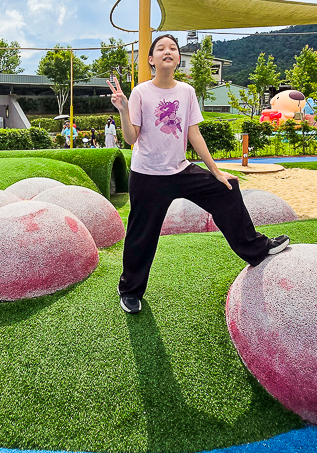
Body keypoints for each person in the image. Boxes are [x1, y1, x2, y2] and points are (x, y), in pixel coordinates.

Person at [108, 33, 290, 315]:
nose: (167, 52)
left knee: (227, 188)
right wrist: (122, 108)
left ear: (178, 58)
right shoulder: (142, 93)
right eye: (161, 48)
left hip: (180, 170)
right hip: (147, 176)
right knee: (140, 236)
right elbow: (132, 138)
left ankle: (256, 249)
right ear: (151, 59)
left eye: (173, 48)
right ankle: (130, 291)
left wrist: (215, 170)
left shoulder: (186, 92)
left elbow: (193, 133)